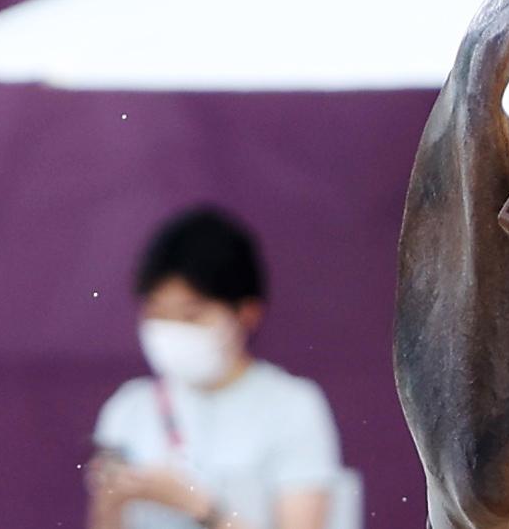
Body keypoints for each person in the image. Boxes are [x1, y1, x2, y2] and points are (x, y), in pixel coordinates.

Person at [87, 208, 345, 529]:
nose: (171, 330)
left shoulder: (292, 406)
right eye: (157, 313)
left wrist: (198, 505)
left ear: (246, 313)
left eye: (191, 315)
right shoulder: (128, 407)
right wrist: (113, 497)